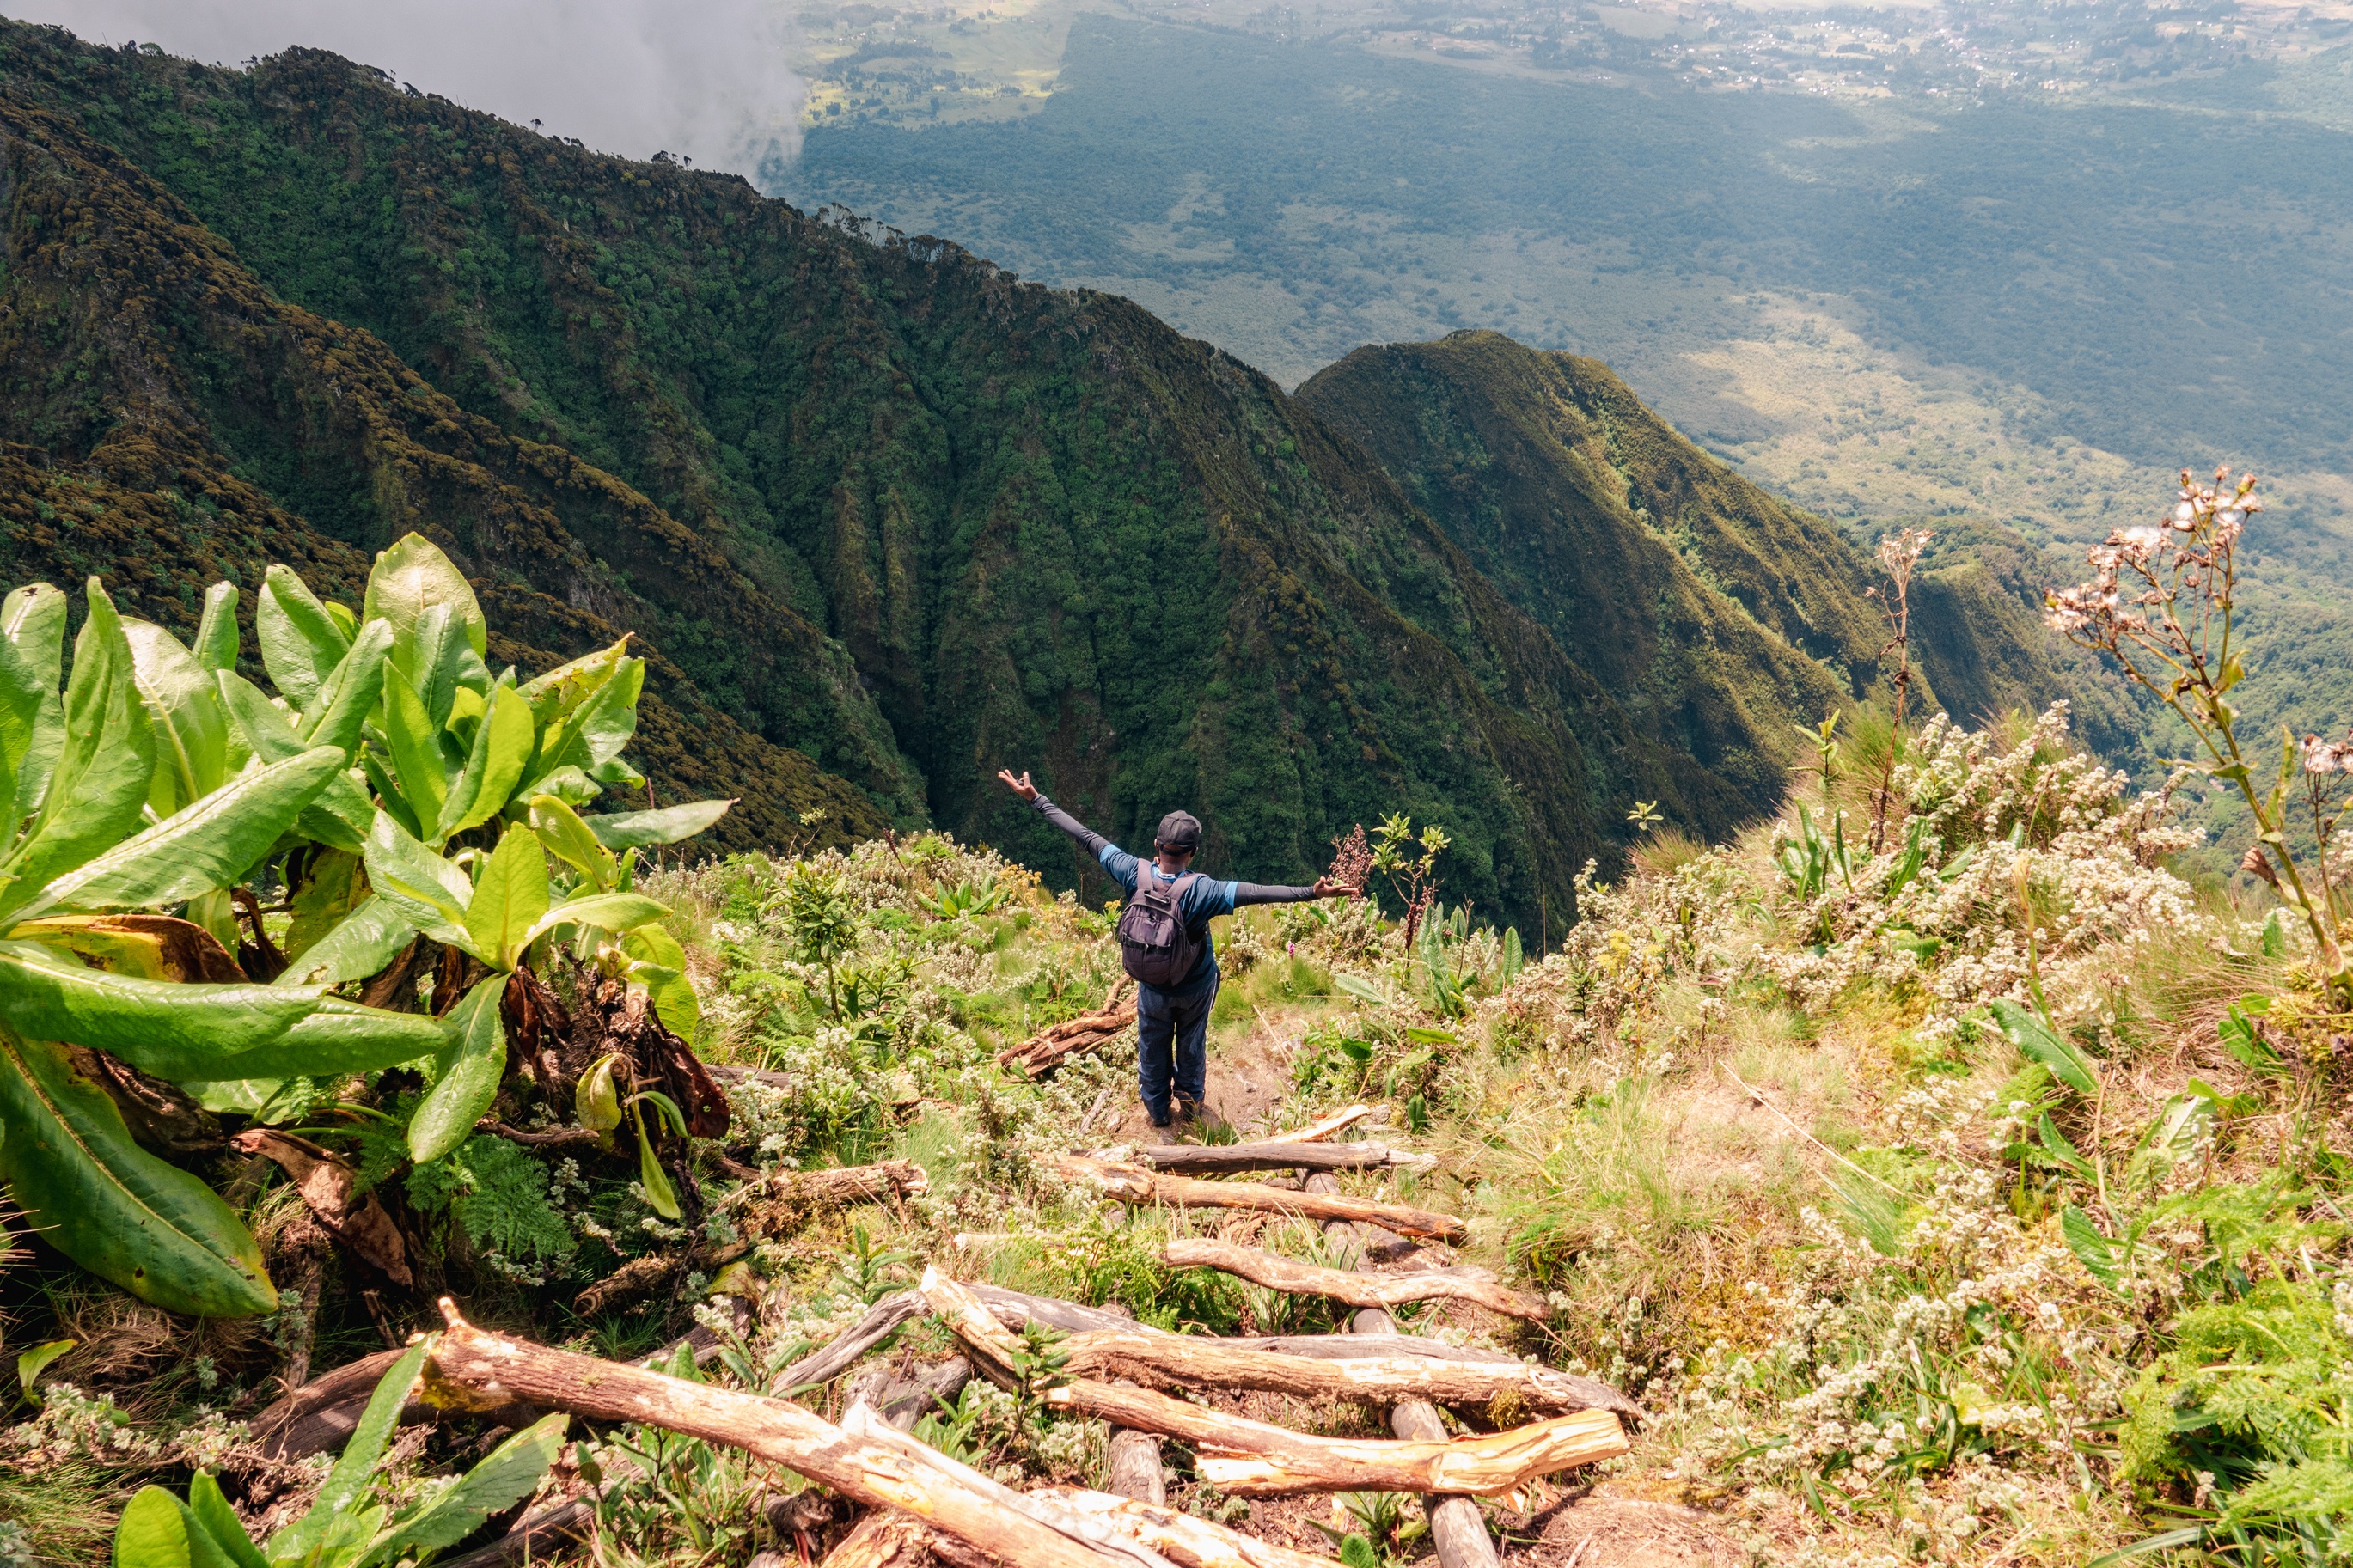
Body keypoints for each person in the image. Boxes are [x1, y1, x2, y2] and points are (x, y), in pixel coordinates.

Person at [997, 769, 1358, 1128]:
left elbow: (1086, 837)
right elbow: (1258, 892)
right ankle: (1189, 1107)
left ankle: (1156, 1113)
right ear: (1194, 852)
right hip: (1195, 986)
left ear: (1157, 845)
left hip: (1152, 986)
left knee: (1151, 1045)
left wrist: (1036, 799)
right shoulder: (1205, 890)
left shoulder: (1131, 871)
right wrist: (1312, 893)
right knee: (1191, 1041)